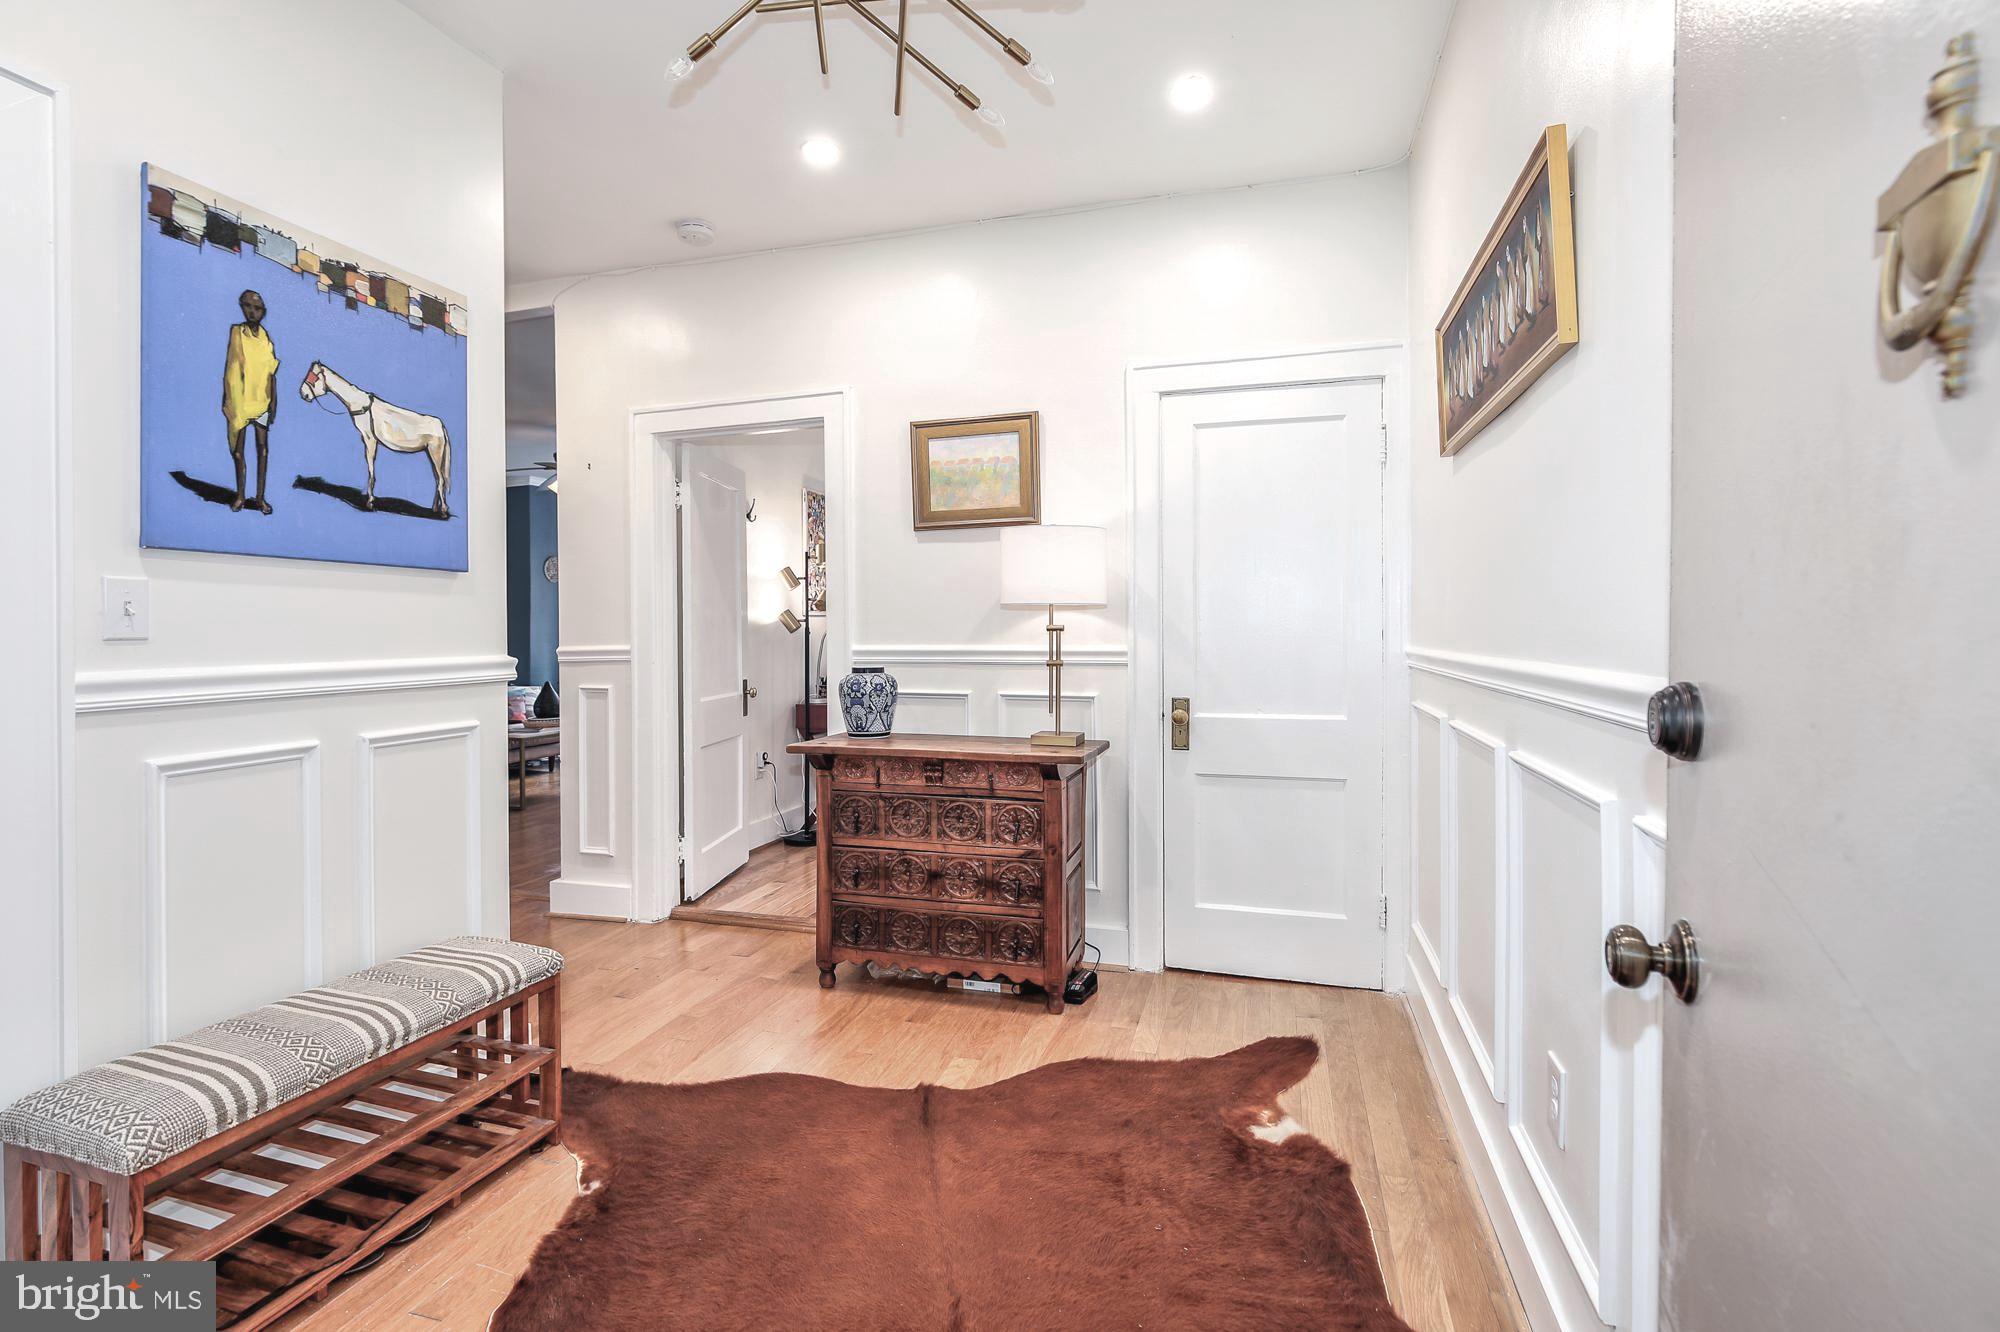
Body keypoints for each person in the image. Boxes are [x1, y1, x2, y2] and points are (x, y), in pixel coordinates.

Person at [221, 288, 279, 513]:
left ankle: (260, 498)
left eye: (257, 308)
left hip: (262, 400)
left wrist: (274, 402)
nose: (252, 312)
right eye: (248, 306)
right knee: (238, 450)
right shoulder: (236, 333)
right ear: (242, 307)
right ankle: (241, 495)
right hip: (239, 400)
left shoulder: (266, 340)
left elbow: (271, 372)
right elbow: (230, 367)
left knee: (262, 449)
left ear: (263, 312)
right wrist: (226, 398)